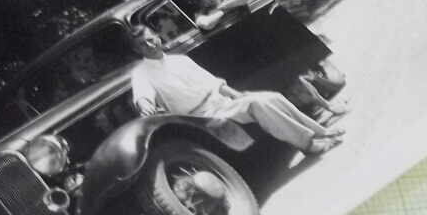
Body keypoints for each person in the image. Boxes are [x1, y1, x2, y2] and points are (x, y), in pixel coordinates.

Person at [127, 23, 343, 156]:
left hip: (222, 103)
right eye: (143, 45)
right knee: (259, 103)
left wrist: (238, 96)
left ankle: (320, 132)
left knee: (270, 97)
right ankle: (307, 144)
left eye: (150, 39)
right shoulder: (141, 73)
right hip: (200, 117)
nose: (150, 45)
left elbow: (214, 83)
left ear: (157, 36)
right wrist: (146, 107)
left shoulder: (180, 60)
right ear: (137, 50)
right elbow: (143, 95)